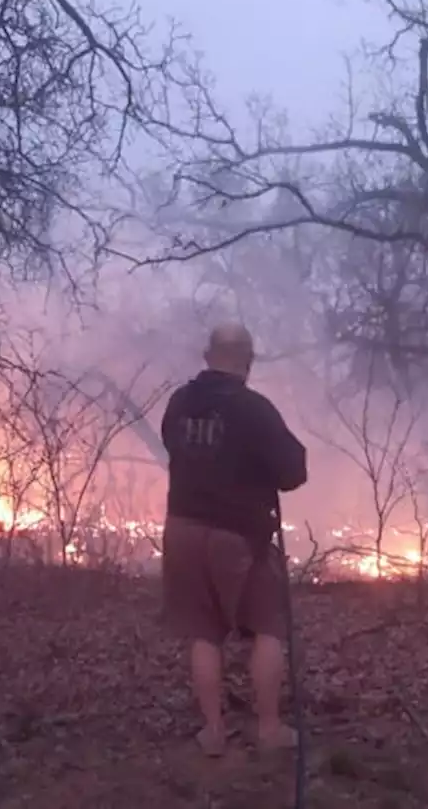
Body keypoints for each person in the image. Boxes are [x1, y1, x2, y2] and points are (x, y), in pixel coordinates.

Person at [160, 322, 308, 757]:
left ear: (208, 357)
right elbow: (294, 472)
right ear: (247, 359)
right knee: (267, 626)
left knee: (203, 632)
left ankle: (213, 731)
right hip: (240, 535)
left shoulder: (178, 403)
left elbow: (175, 447)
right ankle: (269, 729)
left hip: (183, 529)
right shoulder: (254, 409)